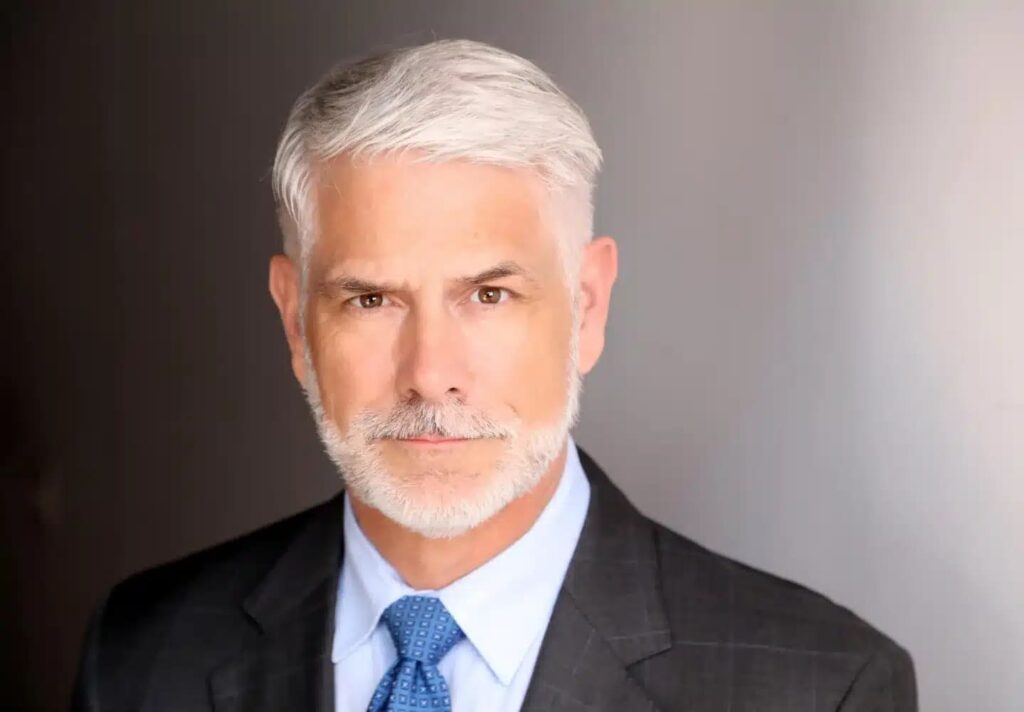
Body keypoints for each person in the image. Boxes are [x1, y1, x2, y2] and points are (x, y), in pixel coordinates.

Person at [72, 39, 917, 711]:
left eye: (488, 293)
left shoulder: (818, 686)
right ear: (296, 321)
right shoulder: (143, 653)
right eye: (370, 299)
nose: (430, 375)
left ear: (586, 307)